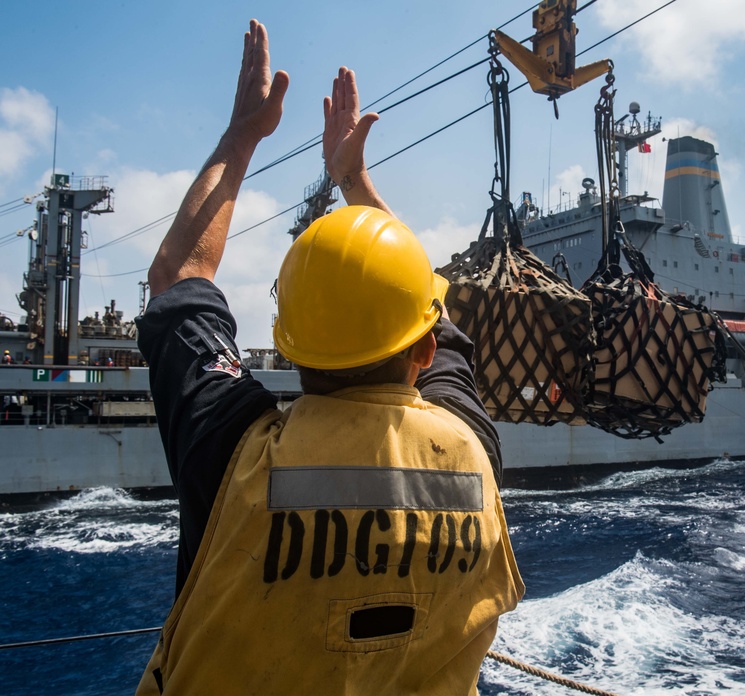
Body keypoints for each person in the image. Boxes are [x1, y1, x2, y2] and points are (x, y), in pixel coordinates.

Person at [135, 19, 522, 696]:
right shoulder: (471, 450)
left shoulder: (233, 454)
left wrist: (243, 133)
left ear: (289, 344)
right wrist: (354, 181)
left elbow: (178, 277)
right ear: (427, 349)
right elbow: (433, 308)